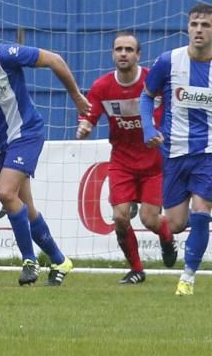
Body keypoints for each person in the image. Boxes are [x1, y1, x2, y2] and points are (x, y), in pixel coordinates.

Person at [0, 6, 90, 287]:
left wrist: (76, 96)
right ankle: (60, 260)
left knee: (4, 192)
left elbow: (55, 60)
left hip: (26, 133)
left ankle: (29, 261)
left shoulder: (4, 55)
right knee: (26, 206)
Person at [139, 4, 212, 296]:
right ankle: (167, 240)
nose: (199, 29)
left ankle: (188, 277)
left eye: (205, 25)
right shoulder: (168, 62)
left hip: (209, 153)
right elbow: (146, 98)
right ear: (187, 28)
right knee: (175, 223)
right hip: (173, 152)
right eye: (195, 24)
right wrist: (149, 128)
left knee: (201, 212)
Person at [76, 33, 177, 284]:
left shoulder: (151, 81)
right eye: (119, 49)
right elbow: (90, 114)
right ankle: (137, 269)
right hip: (122, 161)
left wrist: (161, 133)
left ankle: (166, 236)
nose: (123, 53)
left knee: (149, 219)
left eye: (129, 49)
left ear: (138, 55)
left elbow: (168, 113)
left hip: (153, 162)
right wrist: (85, 126)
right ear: (113, 54)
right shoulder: (102, 86)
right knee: (120, 216)